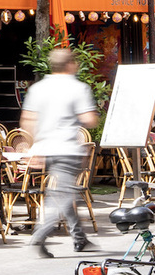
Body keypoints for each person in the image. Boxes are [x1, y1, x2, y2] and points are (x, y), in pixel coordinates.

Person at [21, 48, 99, 258]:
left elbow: (28, 119)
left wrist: (34, 147)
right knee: (62, 194)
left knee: (65, 191)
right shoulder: (77, 88)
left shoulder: (37, 89)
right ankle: (41, 234)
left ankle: (79, 237)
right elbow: (89, 119)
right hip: (67, 149)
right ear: (71, 64)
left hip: (46, 147)